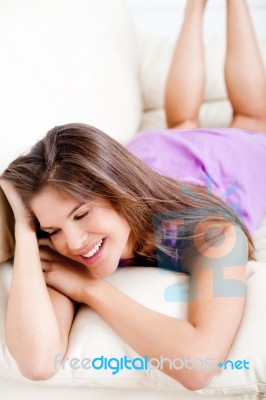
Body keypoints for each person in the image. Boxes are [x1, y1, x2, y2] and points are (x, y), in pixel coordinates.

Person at [0, 0, 266, 391]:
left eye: (81, 214)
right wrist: (25, 231)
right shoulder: (59, 243)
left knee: (252, 119)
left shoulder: (209, 235)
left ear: (116, 191)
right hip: (153, 154)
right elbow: (38, 363)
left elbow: (197, 366)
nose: (72, 242)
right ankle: (194, 10)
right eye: (52, 227)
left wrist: (92, 289)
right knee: (181, 122)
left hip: (220, 164)